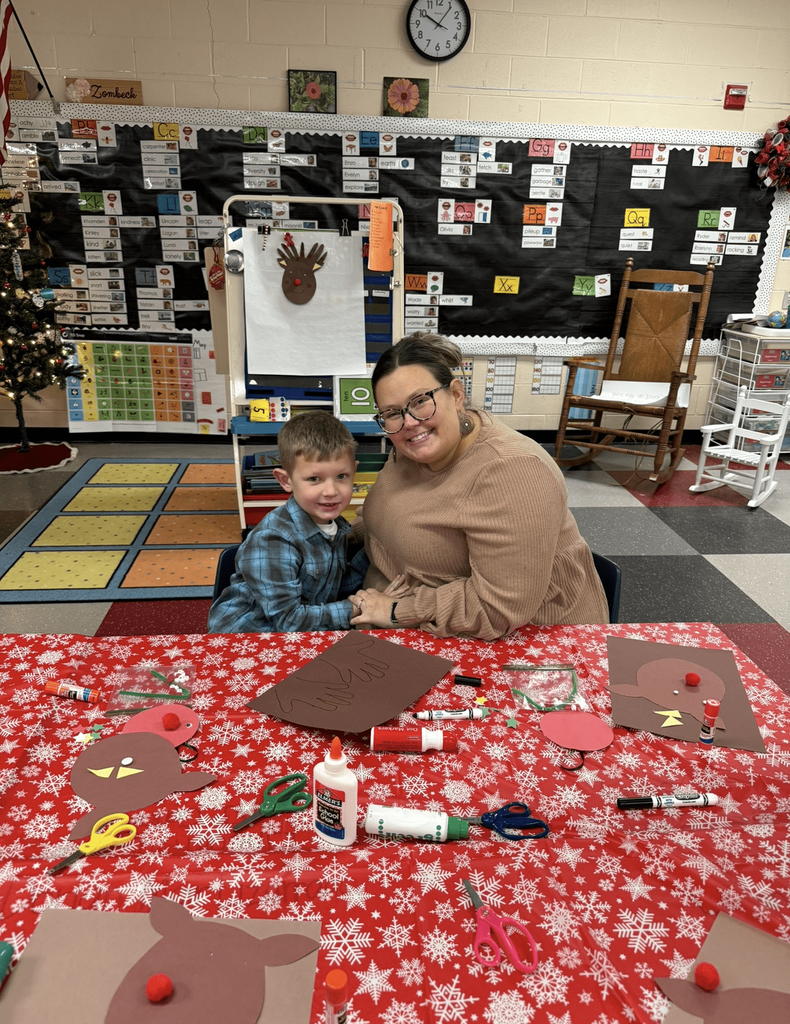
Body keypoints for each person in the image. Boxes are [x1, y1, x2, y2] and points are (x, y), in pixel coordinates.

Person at [349, 333, 608, 640]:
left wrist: (397, 611)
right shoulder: (413, 451)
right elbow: (388, 515)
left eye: (420, 402)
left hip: (529, 643)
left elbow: (497, 608)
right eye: (392, 413)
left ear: (456, 394)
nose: (409, 422)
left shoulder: (513, 471)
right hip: (411, 617)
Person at [208, 412, 399, 633]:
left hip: (300, 634)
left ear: (354, 472)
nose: (331, 491)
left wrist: (374, 556)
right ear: (286, 480)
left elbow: (329, 587)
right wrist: (359, 607)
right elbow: (290, 621)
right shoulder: (273, 538)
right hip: (244, 639)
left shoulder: (334, 523)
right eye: (314, 479)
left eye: (341, 476)